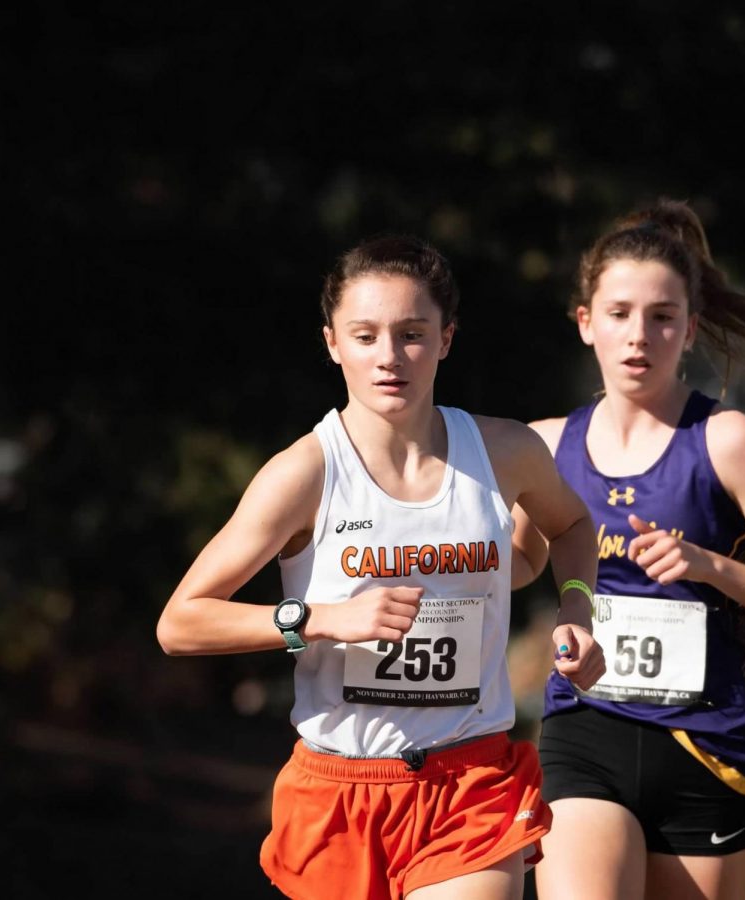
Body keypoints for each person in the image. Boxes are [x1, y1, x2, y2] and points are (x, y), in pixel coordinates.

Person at [156, 234, 606, 900]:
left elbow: (569, 525)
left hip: (467, 783)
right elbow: (181, 624)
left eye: (412, 334)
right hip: (339, 790)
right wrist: (323, 619)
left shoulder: (506, 451)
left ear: (446, 339)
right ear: (333, 342)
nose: (388, 358)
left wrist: (576, 606)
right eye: (365, 336)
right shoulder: (304, 473)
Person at [510, 199, 745, 900]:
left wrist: (711, 566)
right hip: (586, 731)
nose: (639, 336)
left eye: (662, 317)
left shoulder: (728, 443)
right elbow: (512, 571)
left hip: (711, 750)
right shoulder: (543, 446)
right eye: (618, 313)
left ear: (690, 329)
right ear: (586, 323)